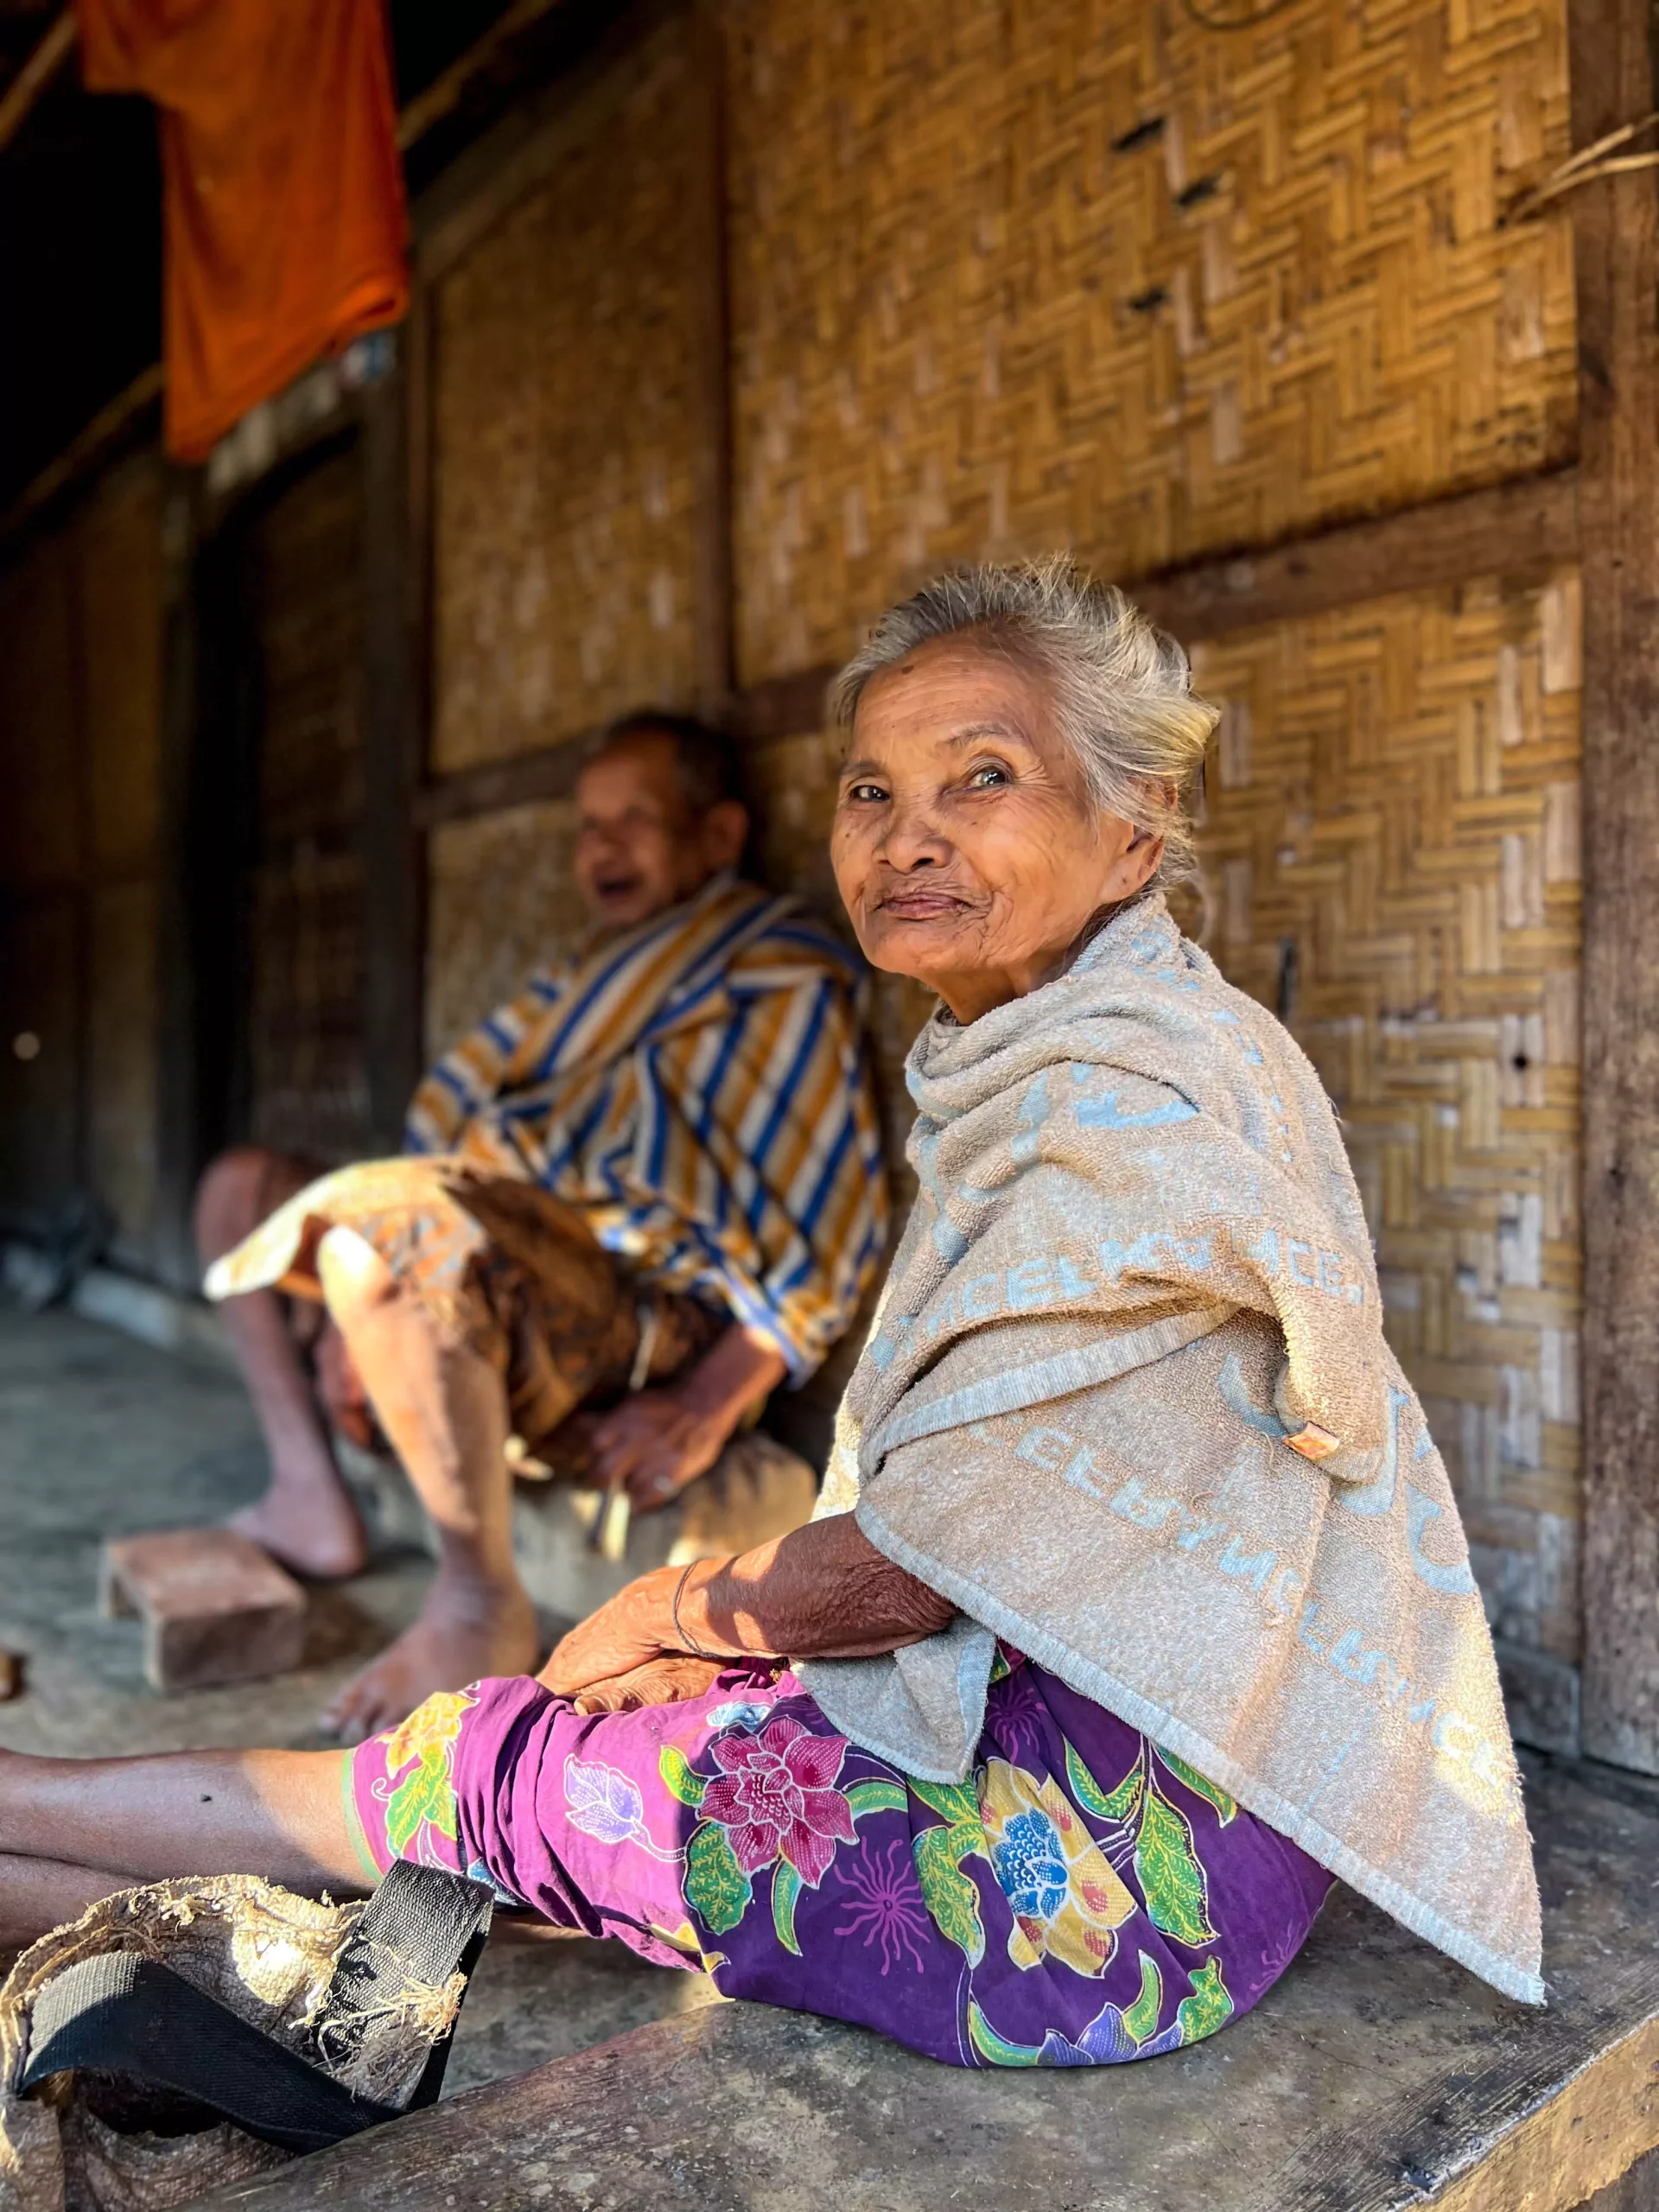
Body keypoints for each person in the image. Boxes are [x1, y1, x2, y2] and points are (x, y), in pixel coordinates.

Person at [0, 564, 1541, 2071]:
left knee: (486, 1746)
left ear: (1132, 836)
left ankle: (25, 1803)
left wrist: (656, 1611)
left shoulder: (1117, 1106)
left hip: (1095, 1904)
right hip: (1247, 1813)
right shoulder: (1122, 1047)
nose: (907, 835)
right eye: (871, 792)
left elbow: (923, 1569)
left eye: (981, 777)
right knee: (610, 1742)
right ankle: (106, 1893)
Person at [197, 711, 890, 1738]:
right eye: (588, 826)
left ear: (718, 837)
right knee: (242, 1187)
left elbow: (835, 1212)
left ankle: (480, 1601)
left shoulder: (774, 969)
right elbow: (454, 1130)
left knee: (377, 1244)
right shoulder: (583, 980)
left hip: (635, 1296)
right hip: (512, 1244)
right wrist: (359, 1310)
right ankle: (308, 1489)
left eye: (635, 821)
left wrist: (707, 1401)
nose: (601, 847)